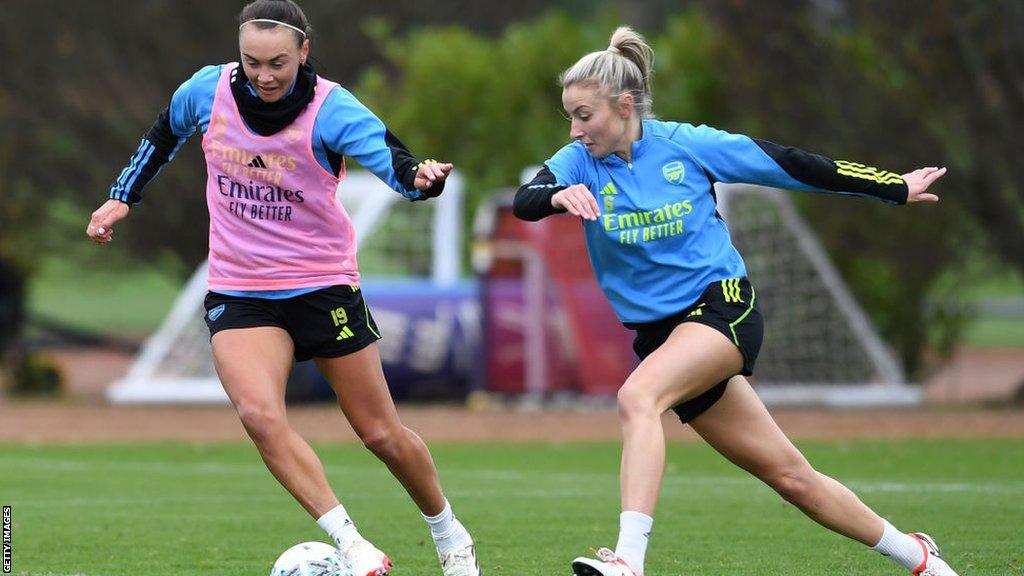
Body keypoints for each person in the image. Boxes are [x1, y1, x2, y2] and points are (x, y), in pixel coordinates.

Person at [514, 26, 956, 576]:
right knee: (792, 477)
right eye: (570, 117)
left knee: (638, 398)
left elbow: (791, 164)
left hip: (721, 308)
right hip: (662, 337)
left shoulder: (686, 145)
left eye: (585, 115)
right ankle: (921, 559)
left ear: (624, 105)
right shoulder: (578, 162)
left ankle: (627, 561)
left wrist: (891, 186)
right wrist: (556, 194)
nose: (576, 130)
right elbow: (525, 200)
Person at [85, 2, 480, 575]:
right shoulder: (206, 91)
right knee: (258, 414)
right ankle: (352, 544)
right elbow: (161, 136)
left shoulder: (332, 109)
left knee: (380, 434)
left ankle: (450, 535)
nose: (264, 75)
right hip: (240, 287)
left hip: (322, 285)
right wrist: (122, 195)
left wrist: (421, 180)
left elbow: (397, 163)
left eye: (277, 63)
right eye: (252, 62)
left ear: (303, 54)